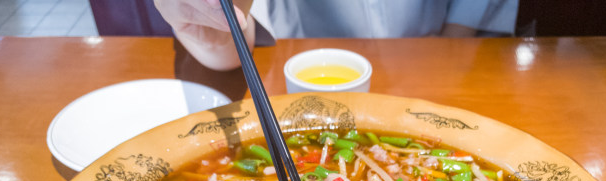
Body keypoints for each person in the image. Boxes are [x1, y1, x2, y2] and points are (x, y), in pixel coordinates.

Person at [154, 0, 519, 71]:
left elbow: (470, 17)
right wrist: (211, 31)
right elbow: (229, 48)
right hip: (298, 76)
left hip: (437, 63)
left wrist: (454, 41)